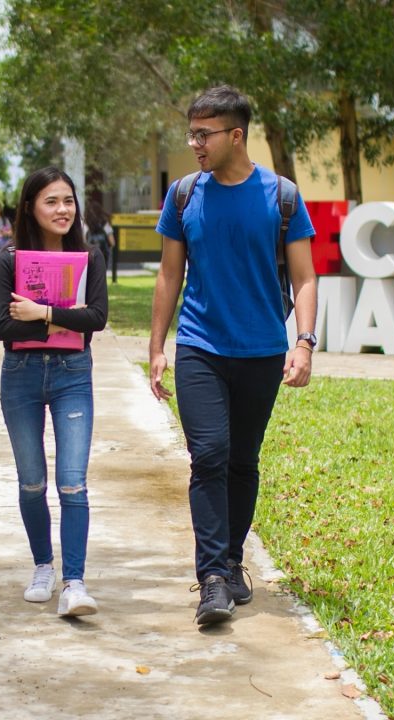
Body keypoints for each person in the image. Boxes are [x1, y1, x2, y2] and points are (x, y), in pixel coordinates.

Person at [149, 85, 319, 626]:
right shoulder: (183, 195)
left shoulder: (281, 196)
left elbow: (305, 276)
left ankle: (230, 560)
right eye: (191, 134)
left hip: (262, 350)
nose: (194, 144)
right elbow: (169, 274)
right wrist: (157, 346)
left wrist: (304, 342)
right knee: (210, 455)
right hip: (200, 346)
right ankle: (213, 579)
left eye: (204, 134)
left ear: (236, 135)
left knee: (243, 460)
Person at [0, 167, 108, 617]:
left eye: (68, 201)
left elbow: (96, 318)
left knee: (72, 482)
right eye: (51, 201)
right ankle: (43, 566)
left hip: (73, 374)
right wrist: (66, 317)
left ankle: (74, 582)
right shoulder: (8, 261)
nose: (63, 210)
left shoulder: (89, 257)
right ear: (30, 208)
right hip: (20, 375)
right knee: (32, 481)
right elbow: (3, 326)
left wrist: (41, 312)